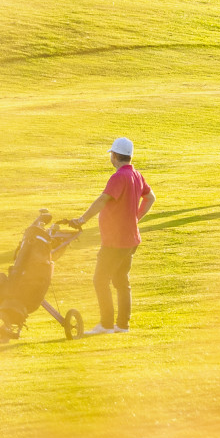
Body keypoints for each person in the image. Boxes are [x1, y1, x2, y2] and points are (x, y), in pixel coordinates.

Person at [72, 137, 155, 335]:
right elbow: (150, 198)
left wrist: (82, 220)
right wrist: (136, 217)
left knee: (100, 280)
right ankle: (123, 325)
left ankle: (107, 325)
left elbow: (103, 200)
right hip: (131, 240)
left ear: (115, 156)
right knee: (121, 281)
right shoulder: (136, 174)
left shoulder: (118, 177)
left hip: (115, 241)